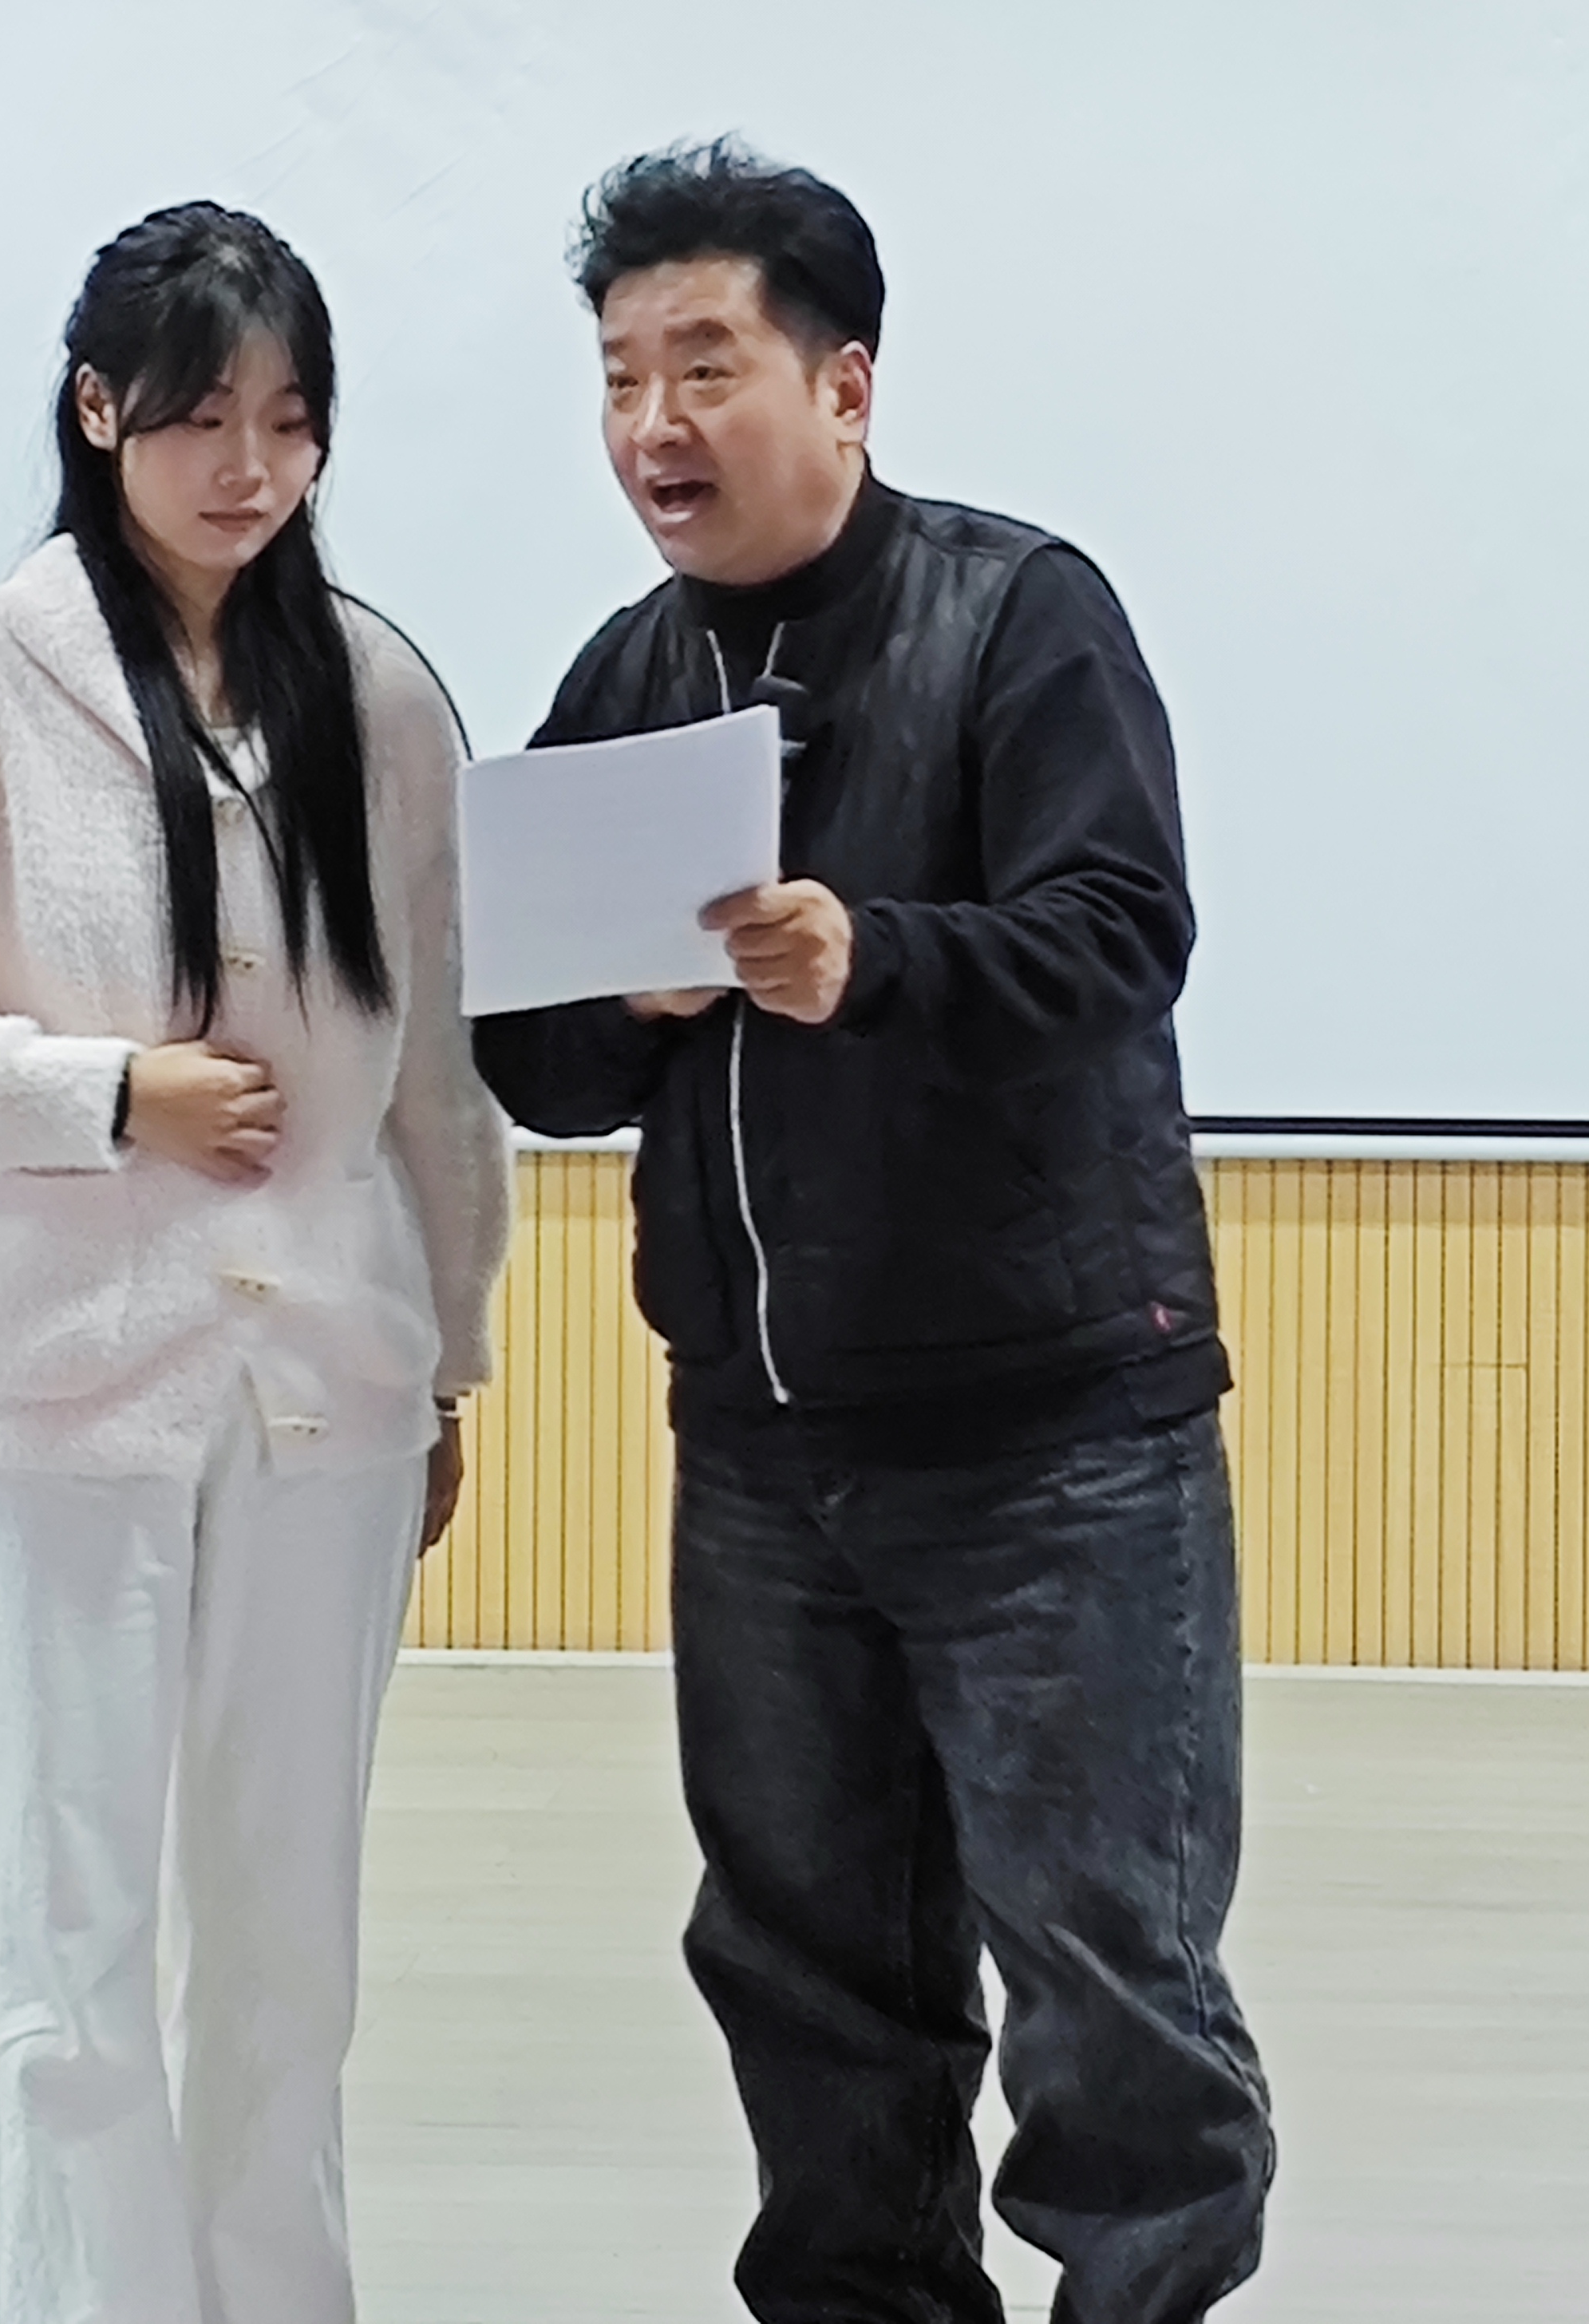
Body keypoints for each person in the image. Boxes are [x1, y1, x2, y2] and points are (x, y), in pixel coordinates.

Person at [474, 141, 1271, 2324]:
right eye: (620, 376)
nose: (654, 423)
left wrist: (876, 956)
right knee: (806, 1969)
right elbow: (533, 1059)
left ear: (844, 384)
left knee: (1107, 1972)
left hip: (1053, 1439)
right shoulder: (628, 677)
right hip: (760, 1450)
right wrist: (619, 1008)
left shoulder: (1018, 614)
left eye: (704, 365)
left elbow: (1122, 936)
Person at [0, 203, 510, 2324]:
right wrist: (108, 1094)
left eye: (291, 420)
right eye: (201, 417)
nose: (249, 467)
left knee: (292, 1951)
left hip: (327, 1396)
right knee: (72, 1958)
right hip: (52, 1400)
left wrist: (448, 1358)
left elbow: (438, 1075)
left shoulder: (380, 692)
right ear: (99, 410)